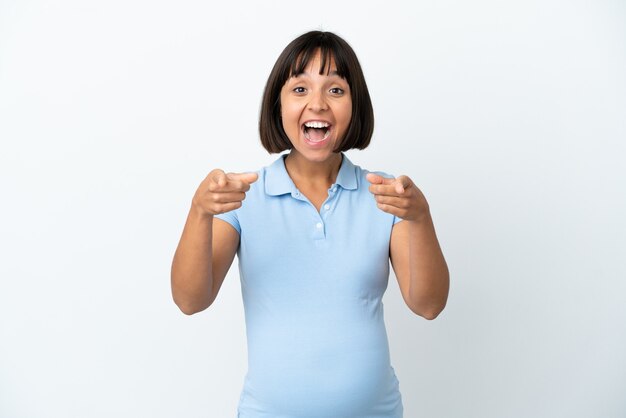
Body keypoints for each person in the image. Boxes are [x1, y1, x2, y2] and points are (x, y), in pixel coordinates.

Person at [171, 30, 449, 418]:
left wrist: (420, 217)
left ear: (355, 106)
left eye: (335, 90)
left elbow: (429, 305)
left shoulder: (384, 194)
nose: (317, 104)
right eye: (300, 89)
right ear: (277, 105)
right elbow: (190, 300)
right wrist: (199, 212)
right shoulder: (242, 195)